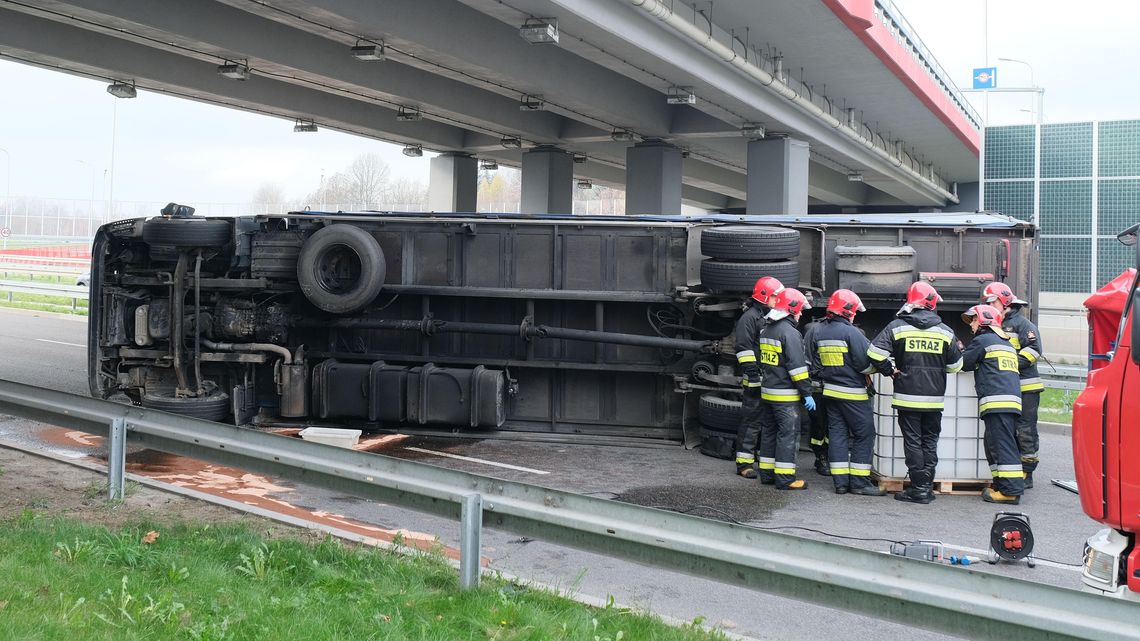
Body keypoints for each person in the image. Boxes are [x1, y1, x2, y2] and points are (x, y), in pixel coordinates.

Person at [868, 282, 963, 504]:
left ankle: (918, 488)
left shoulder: (897, 327)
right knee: (930, 441)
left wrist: (890, 371)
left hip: (907, 397)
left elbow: (874, 353)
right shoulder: (945, 331)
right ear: (932, 304)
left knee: (913, 441)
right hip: (934, 400)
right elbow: (956, 366)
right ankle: (926, 487)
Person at [808, 289, 884, 496]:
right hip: (853, 393)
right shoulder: (852, 333)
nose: (855, 315)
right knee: (864, 434)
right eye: (854, 311)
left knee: (837, 435)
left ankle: (840, 483)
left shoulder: (817, 331)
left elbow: (813, 364)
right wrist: (880, 369)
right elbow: (864, 365)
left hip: (830, 391)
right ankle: (859, 483)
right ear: (848, 311)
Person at [961, 304, 1026, 504]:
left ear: (983, 321)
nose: (971, 324)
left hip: (997, 401)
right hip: (1009, 402)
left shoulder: (983, 340)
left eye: (974, 319)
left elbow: (964, 363)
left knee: (1002, 445)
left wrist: (958, 350)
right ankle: (1001, 485)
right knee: (995, 445)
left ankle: (1010, 492)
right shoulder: (1006, 343)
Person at [982, 282, 1044, 488]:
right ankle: (1010, 474)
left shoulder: (1022, 325)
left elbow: (1034, 350)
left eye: (992, 302)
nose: (989, 306)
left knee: (1025, 431)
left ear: (1005, 302)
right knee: (1005, 433)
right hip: (1006, 388)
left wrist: (1007, 364)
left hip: (1025, 388)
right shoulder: (995, 325)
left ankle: (1027, 473)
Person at [756, 288, 814, 490]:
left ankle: (767, 474)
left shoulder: (766, 330)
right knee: (787, 434)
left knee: (769, 432)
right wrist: (807, 393)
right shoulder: (790, 333)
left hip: (768, 392)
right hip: (785, 396)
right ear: (792, 309)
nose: (801, 314)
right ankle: (785, 478)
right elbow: (797, 368)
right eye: (800, 310)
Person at [732, 276, 784, 478]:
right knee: (751, 421)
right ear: (764, 297)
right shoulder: (749, 318)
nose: (777, 300)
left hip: (771, 379)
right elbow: (743, 348)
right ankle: (744, 464)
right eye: (775, 296)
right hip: (755, 379)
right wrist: (753, 375)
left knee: (768, 421)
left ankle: (765, 461)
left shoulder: (771, 317)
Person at [802, 318, 831, 476]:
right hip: (818, 387)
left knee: (835, 425)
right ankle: (821, 456)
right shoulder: (814, 331)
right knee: (819, 424)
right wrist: (806, 390)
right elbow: (806, 360)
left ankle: (830, 455)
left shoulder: (849, 332)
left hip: (837, 387)